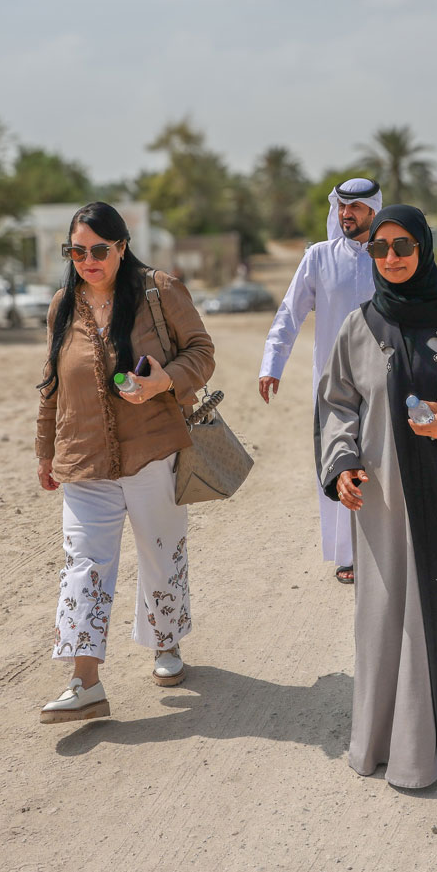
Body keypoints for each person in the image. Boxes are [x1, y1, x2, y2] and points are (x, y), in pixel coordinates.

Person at [314, 206, 437, 789]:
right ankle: (385, 742)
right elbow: (337, 404)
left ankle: (426, 732)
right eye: (380, 249)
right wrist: (343, 463)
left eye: (403, 245)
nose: (392, 258)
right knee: (384, 611)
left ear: (425, 247)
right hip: (382, 495)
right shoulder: (359, 325)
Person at [34, 202, 216, 723]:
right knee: (82, 566)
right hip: (83, 458)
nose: (87, 260)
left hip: (153, 451)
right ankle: (83, 681)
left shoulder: (160, 291)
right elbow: (50, 385)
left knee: (161, 552)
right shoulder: (62, 305)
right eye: (77, 251)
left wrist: (164, 380)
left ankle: (166, 644)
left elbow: (202, 351)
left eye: (98, 250)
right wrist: (45, 450)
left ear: (121, 246)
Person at [259, 177, 383, 584]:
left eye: (355, 208)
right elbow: (289, 314)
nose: (346, 214)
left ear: (373, 211)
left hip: (385, 380)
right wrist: (271, 364)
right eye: (341, 207)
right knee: (338, 461)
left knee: (385, 463)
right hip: (333, 383)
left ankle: (386, 551)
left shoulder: (390, 255)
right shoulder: (318, 257)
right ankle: (347, 555)